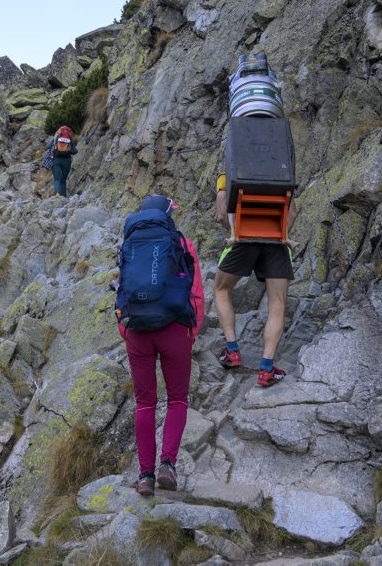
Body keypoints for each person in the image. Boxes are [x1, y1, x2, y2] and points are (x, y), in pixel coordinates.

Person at [115, 195, 204, 496]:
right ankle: (168, 464)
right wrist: (191, 331)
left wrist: (126, 330)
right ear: (168, 215)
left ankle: (145, 476)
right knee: (177, 399)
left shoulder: (130, 244)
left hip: (138, 329)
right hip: (174, 328)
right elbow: (196, 293)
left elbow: (122, 290)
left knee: (144, 403)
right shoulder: (180, 243)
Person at [213, 173, 297, 388]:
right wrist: (279, 234)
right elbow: (292, 214)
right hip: (277, 243)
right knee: (277, 304)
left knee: (222, 289)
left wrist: (234, 231)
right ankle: (267, 369)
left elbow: (222, 214)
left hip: (242, 239)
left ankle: (232, 351)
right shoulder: (281, 175)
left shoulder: (228, 175)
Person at [49, 125, 78, 196]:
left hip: (56, 160)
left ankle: (57, 195)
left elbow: (49, 147)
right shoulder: (70, 139)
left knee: (57, 179)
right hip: (67, 161)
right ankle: (64, 197)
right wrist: (69, 151)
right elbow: (75, 151)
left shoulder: (56, 138)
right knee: (63, 180)